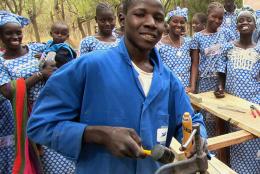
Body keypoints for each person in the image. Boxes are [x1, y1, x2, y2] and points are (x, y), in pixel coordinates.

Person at [27, 0, 208, 173]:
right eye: (140, 14)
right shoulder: (89, 67)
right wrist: (99, 134)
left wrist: (198, 139)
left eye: (159, 18)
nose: (151, 23)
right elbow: (40, 124)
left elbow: (191, 121)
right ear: (122, 19)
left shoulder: (169, 81)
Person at [0, 11, 75, 174]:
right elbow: (8, 91)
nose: (15, 36)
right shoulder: (1, 62)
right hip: (26, 117)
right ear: (1, 35)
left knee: (62, 158)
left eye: (18, 32)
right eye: (9, 33)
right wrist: (41, 74)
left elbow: (63, 59)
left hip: (53, 109)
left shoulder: (37, 48)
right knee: (39, 161)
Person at [215, 7, 260, 173]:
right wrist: (220, 87)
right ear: (236, 26)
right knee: (236, 142)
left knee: (252, 139)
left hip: (254, 104)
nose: (245, 22)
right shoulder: (227, 48)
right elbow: (221, 70)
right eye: (241, 20)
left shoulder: (259, 50)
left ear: (255, 26)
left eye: (249, 20)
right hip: (233, 105)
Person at [190, 2, 235, 139]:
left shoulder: (227, 33)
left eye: (220, 18)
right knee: (207, 119)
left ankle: (224, 155)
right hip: (205, 83)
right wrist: (192, 86)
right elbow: (195, 64)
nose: (217, 20)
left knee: (224, 118)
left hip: (223, 82)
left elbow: (234, 53)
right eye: (214, 17)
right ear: (207, 15)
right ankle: (209, 152)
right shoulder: (197, 37)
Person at [157, 7, 193, 92]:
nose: (179, 25)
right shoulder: (159, 44)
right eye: (175, 21)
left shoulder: (189, 42)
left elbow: (194, 64)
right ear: (168, 22)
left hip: (186, 90)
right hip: (167, 90)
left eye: (182, 22)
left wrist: (192, 86)